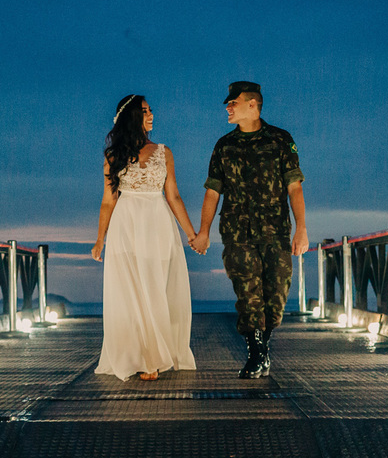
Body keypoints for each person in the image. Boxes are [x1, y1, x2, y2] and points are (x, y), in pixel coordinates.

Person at [190, 81, 307, 379]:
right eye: (228, 104)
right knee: (247, 292)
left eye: (234, 103)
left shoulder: (281, 140)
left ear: (252, 105)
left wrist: (302, 228)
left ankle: (263, 347)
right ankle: (256, 354)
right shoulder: (224, 145)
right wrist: (203, 231)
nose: (228, 108)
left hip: (276, 230)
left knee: (276, 292)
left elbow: (294, 187)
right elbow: (212, 192)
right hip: (236, 230)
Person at [93, 94, 199, 381]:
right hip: (125, 225)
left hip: (157, 224)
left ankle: (155, 354)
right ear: (130, 117)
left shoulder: (164, 152)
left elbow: (173, 196)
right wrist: (100, 238)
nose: (151, 115)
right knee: (131, 291)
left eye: (151, 110)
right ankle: (143, 359)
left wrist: (193, 235)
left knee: (154, 287)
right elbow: (108, 201)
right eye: (144, 111)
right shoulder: (112, 156)